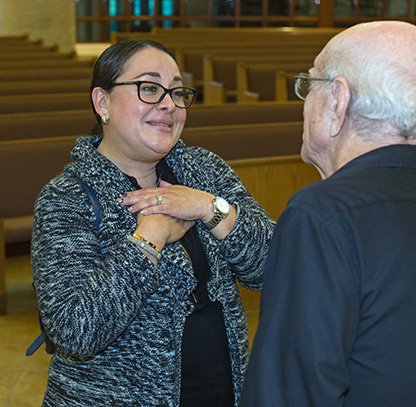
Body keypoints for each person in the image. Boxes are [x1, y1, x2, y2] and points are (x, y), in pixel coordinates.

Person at [242, 21, 416, 407]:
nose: (304, 100)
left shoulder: (320, 216)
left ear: (337, 100)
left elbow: (288, 394)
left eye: (309, 84)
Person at [31, 39, 275, 406]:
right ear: (103, 103)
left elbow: (272, 266)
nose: (168, 104)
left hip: (222, 393)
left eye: (177, 92)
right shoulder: (67, 198)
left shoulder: (204, 170)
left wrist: (211, 208)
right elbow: (75, 332)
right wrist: (150, 236)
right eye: (149, 88)